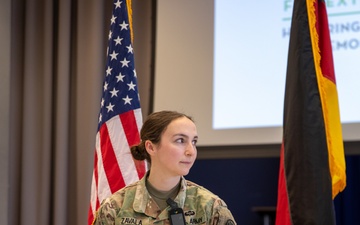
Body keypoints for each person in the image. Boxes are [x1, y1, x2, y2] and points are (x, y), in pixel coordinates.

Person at [92, 110, 236, 225]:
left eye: (194, 142)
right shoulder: (115, 208)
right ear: (151, 147)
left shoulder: (210, 207)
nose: (191, 151)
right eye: (180, 140)